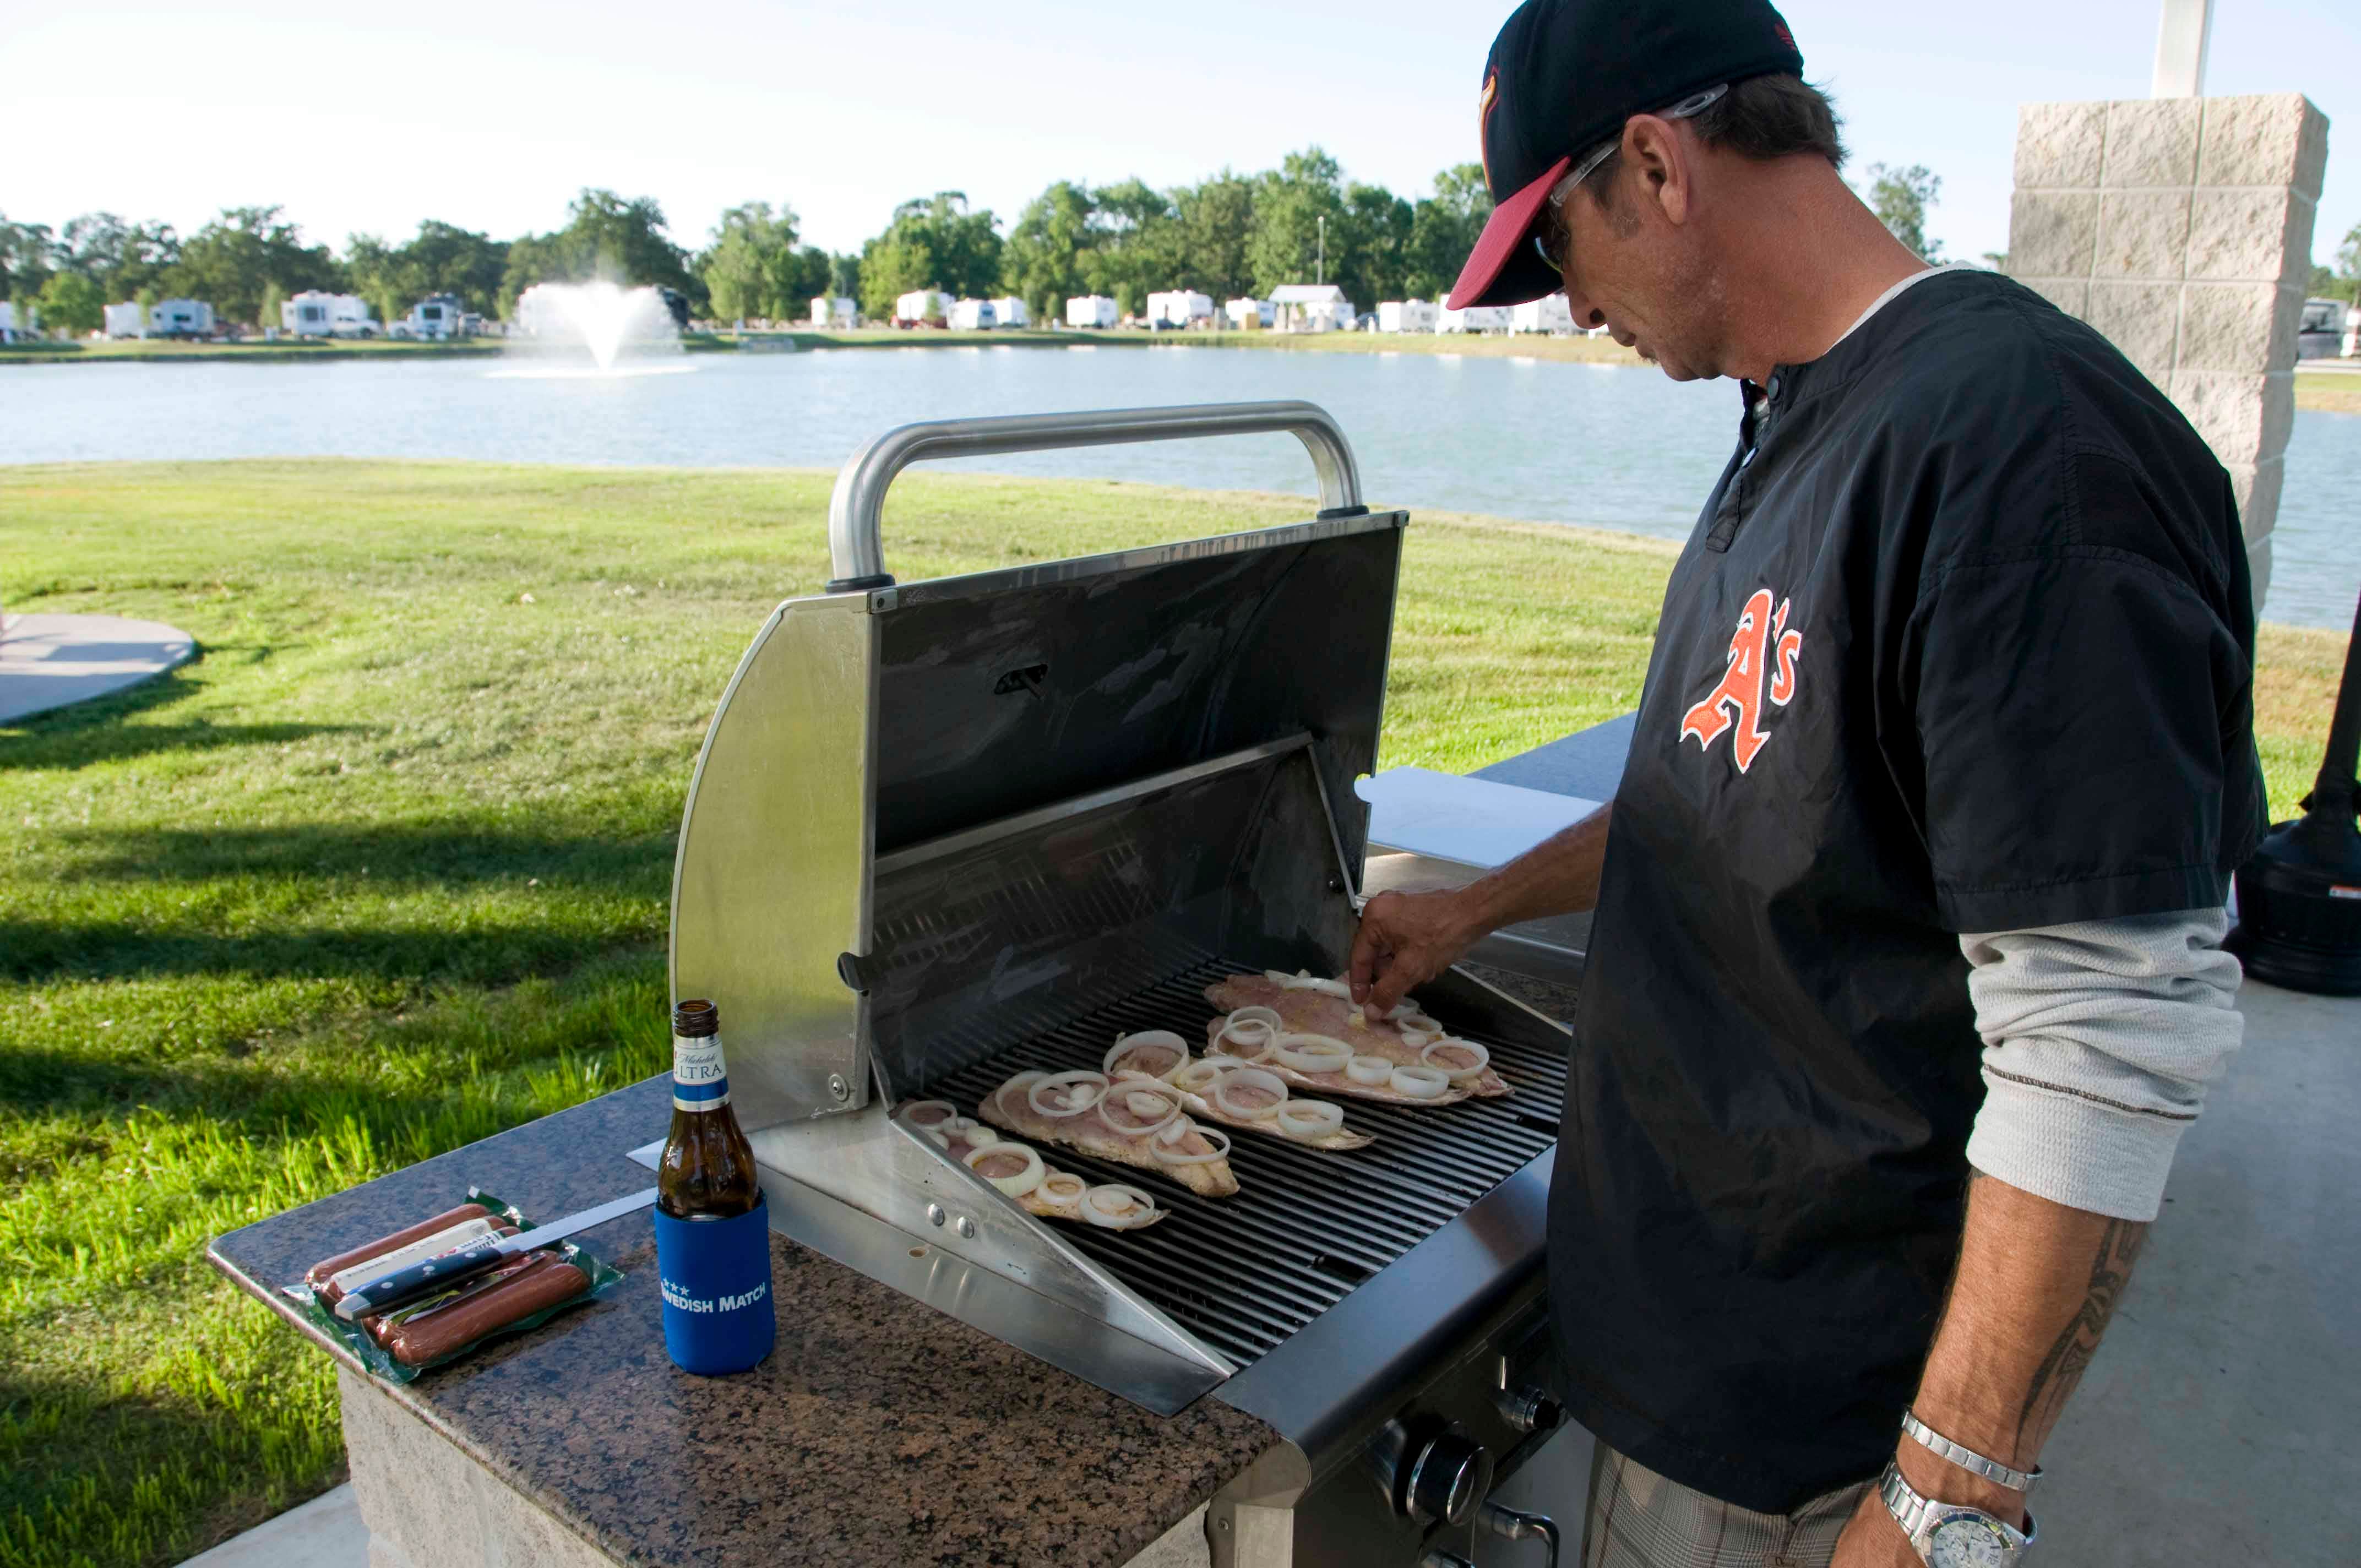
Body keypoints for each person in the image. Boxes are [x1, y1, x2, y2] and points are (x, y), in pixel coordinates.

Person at [1348, 2, 2264, 1564]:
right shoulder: (1798, 412)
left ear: (1654, 166)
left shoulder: (2016, 451)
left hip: (1822, 1442)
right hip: (1682, 1375)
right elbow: (1734, 793)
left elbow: (2106, 1043)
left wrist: (1944, 1506)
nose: (1569, 313)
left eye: (1555, 251)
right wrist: (1476, 910)